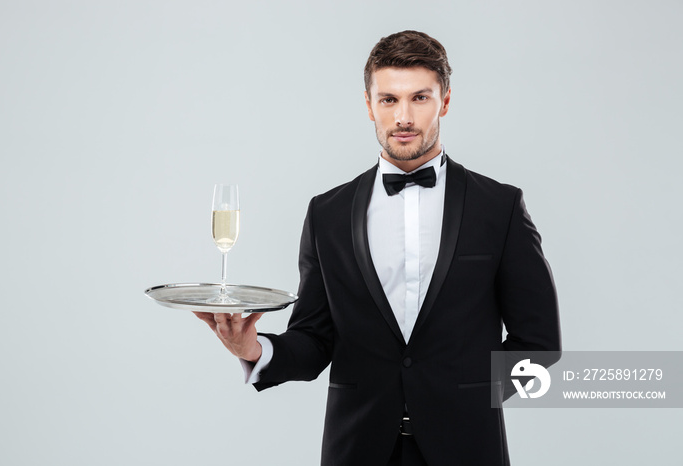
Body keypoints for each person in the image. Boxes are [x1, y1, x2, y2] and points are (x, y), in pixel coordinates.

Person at [195, 30, 561, 466]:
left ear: (444, 102)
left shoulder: (499, 207)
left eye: (419, 98)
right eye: (388, 99)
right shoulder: (327, 213)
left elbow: (539, 345)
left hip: (467, 450)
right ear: (369, 105)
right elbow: (314, 340)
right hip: (356, 450)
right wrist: (253, 351)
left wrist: (462, 396)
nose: (403, 117)